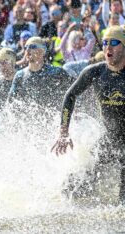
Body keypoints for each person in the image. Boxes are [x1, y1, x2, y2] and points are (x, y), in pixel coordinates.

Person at [51, 26, 125, 203]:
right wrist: (63, 132)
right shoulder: (96, 72)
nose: (108, 47)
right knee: (73, 190)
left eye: (114, 42)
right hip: (109, 140)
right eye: (105, 42)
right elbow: (70, 95)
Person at [8, 37, 73, 109]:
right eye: (26, 47)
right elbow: (9, 103)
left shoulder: (56, 72)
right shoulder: (20, 75)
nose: (27, 50)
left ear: (42, 51)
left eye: (32, 47)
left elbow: (74, 91)